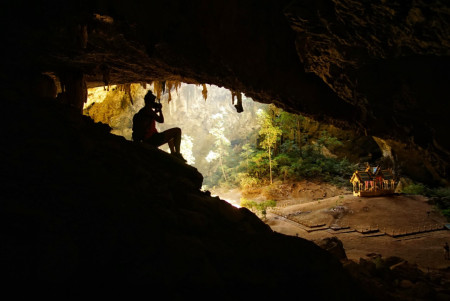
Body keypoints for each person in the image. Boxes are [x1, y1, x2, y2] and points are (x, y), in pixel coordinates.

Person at [132, 91, 186, 162]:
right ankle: (177, 154)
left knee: (170, 138)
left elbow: (150, 118)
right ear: (150, 102)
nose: (154, 103)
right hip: (153, 139)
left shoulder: (143, 111)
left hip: (146, 139)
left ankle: (173, 154)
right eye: (153, 101)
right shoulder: (149, 111)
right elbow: (161, 120)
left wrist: (156, 111)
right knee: (177, 131)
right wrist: (160, 110)